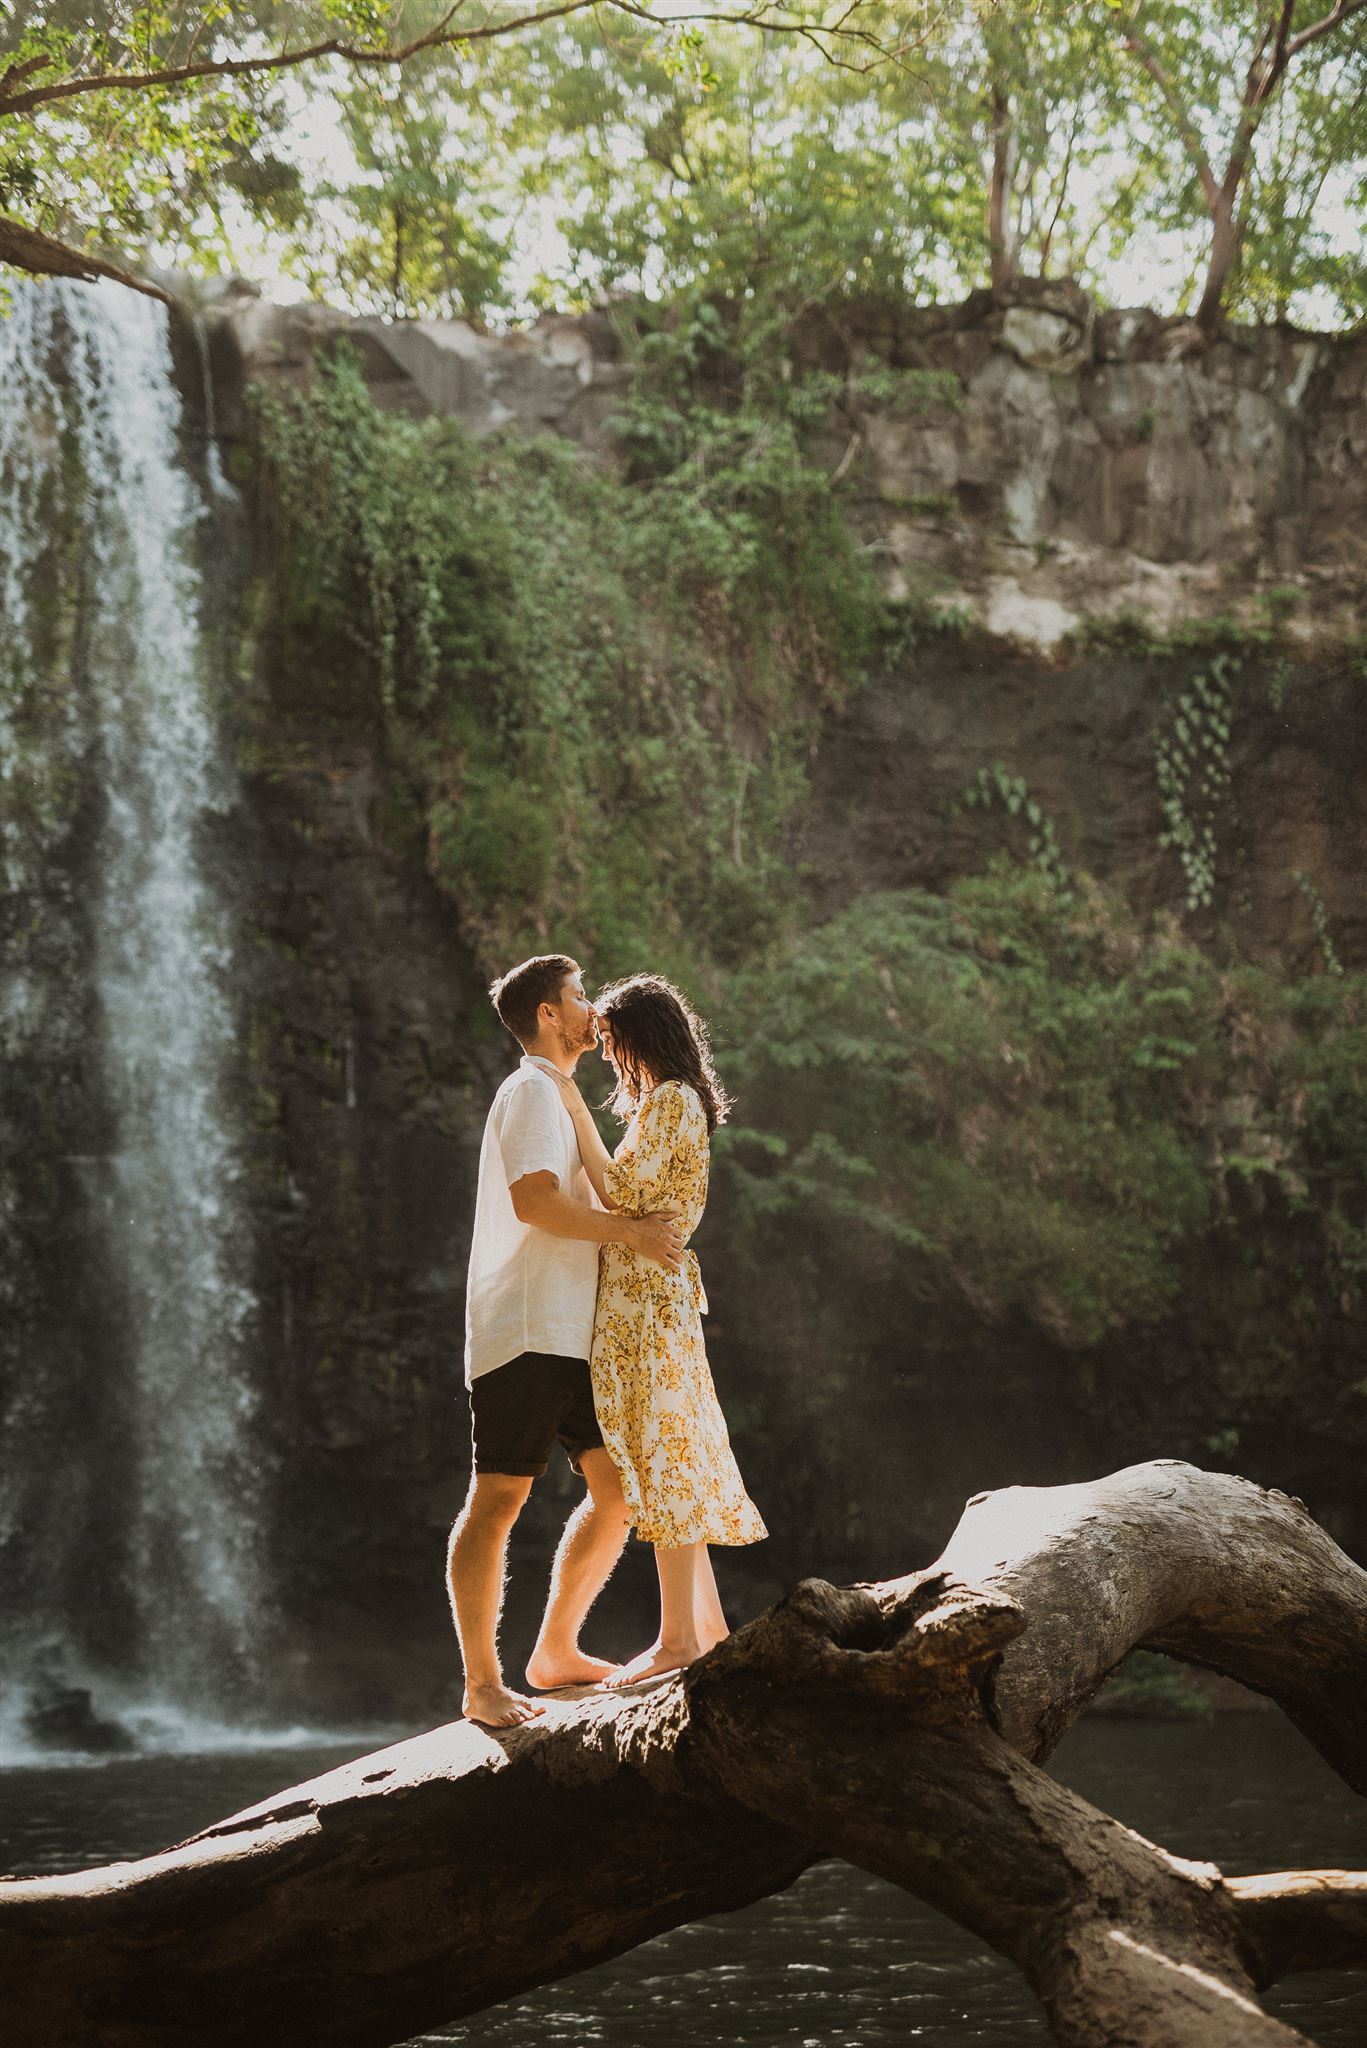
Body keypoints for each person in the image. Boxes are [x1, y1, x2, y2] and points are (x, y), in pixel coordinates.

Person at [448, 953, 684, 1729]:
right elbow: (535, 1203)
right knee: (499, 1498)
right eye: (579, 997)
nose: (592, 1009)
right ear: (548, 1014)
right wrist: (631, 1235)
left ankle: (553, 1651)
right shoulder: (528, 1091)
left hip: (577, 1332)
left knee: (618, 1494)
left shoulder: (561, 1097)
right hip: (525, 1327)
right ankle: (481, 1684)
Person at [549, 973, 766, 1688]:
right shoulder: (669, 1104)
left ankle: (676, 1640)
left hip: (647, 1304)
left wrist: (575, 1112)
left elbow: (622, 1193)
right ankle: (705, 1631)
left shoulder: (671, 1101)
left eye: (612, 1042)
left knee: (667, 1456)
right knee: (670, 1452)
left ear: (642, 1038)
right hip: (644, 1299)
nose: (607, 1057)